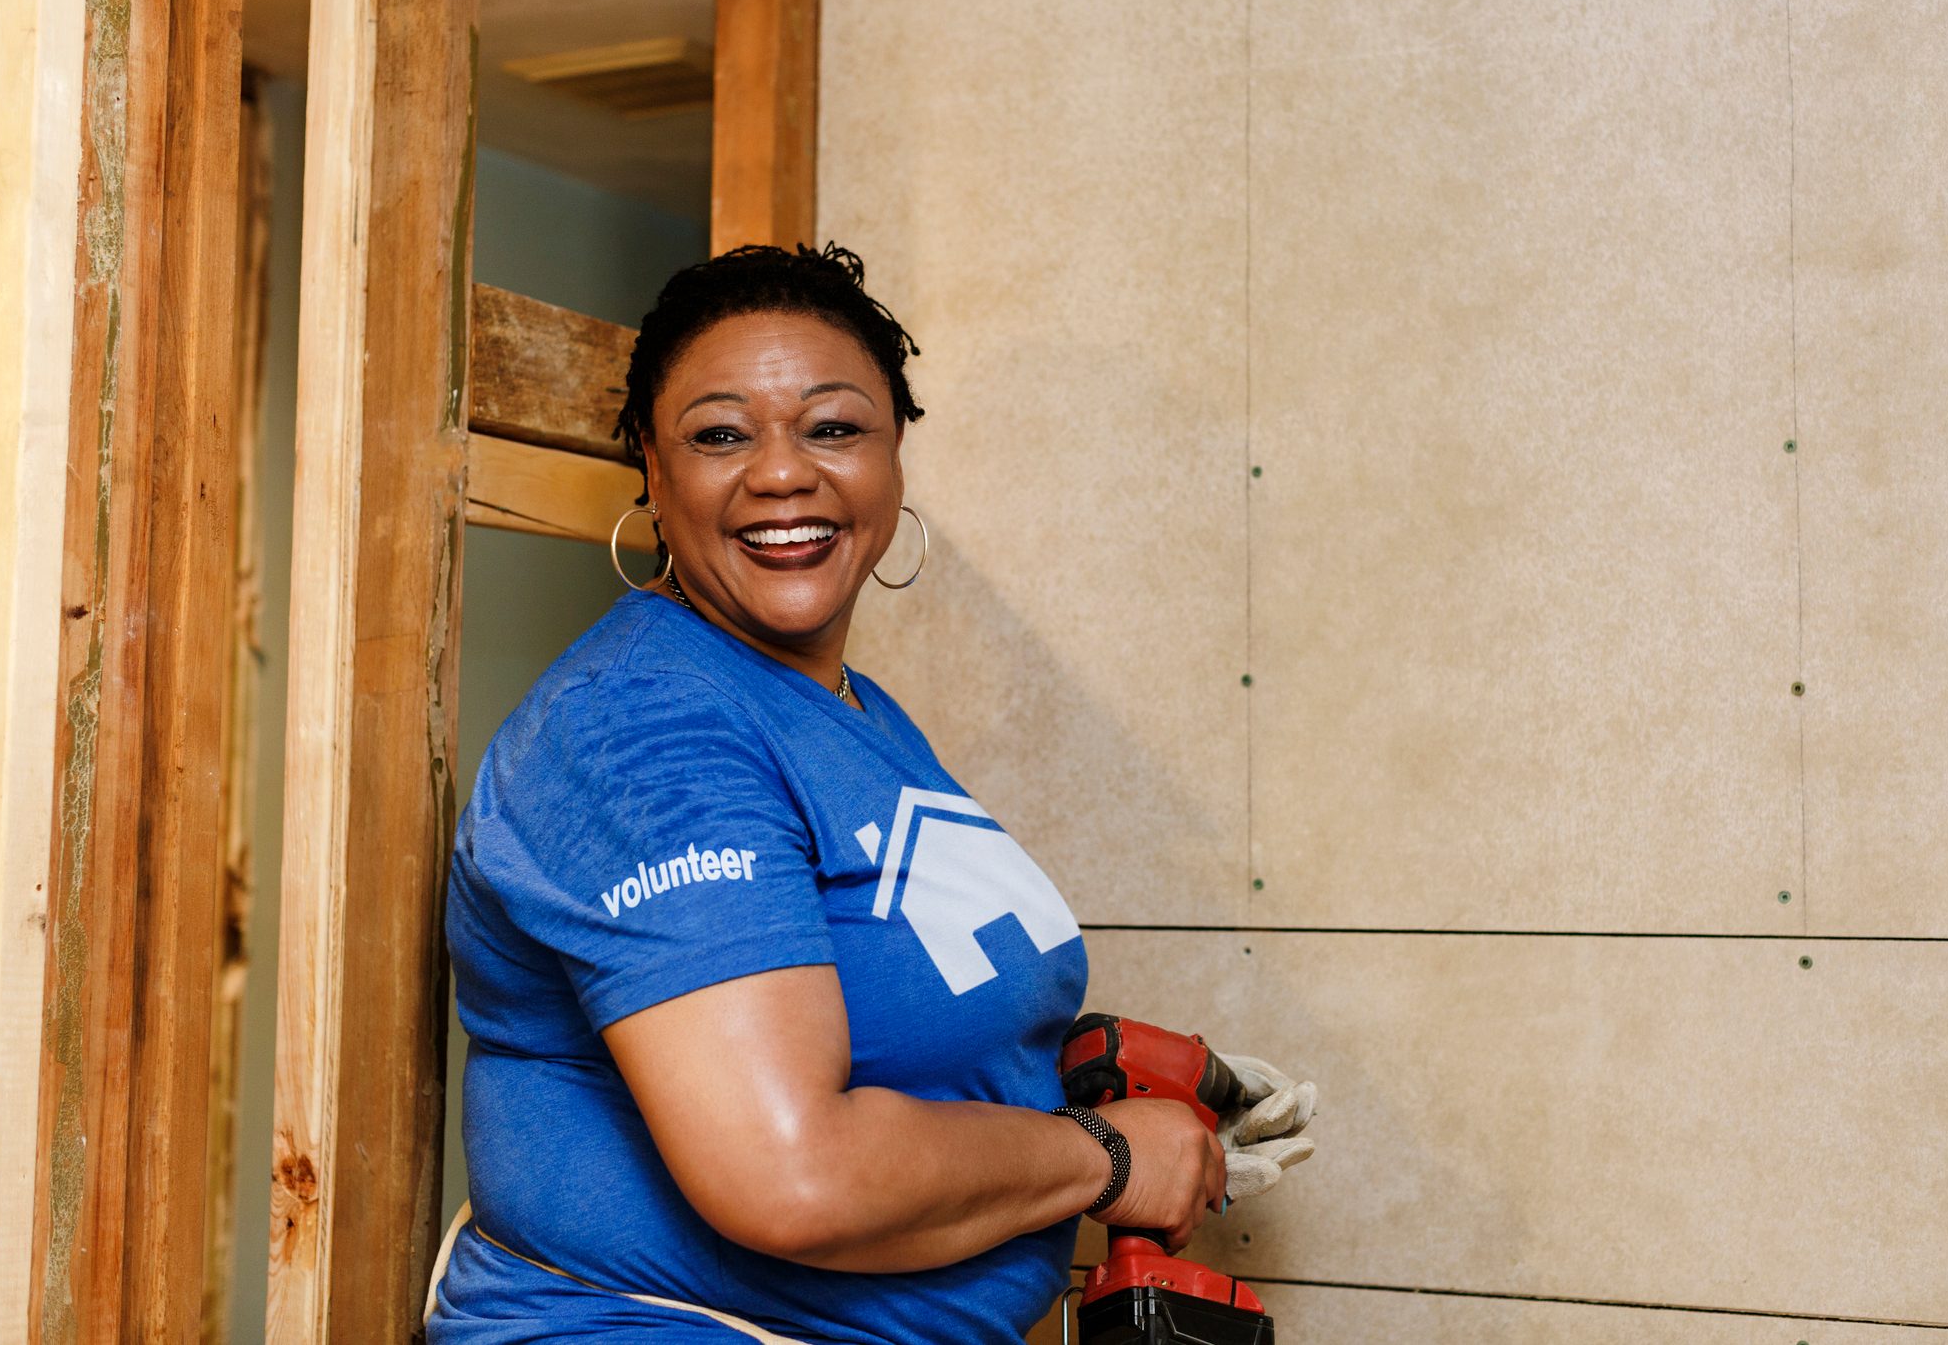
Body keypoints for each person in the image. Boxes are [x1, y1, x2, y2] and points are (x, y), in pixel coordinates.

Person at [426, 245, 1315, 1343]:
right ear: (652, 473)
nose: (781, 473)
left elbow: (843, 971)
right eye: (719, 434)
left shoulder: (844, 706)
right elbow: (789, 1172)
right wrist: (1109, 1158)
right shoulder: (644, 728)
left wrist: (1052, 1062)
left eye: (833, 427)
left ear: (895, 456)